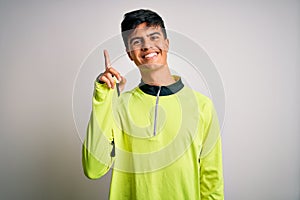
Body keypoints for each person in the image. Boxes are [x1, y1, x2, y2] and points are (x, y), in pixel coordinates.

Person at [82, 9, 224, 200]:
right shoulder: (120, 105)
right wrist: (104, 98)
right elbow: (93, 168)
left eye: (153, 37)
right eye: (137, 41)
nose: (147, 46)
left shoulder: (202, 106)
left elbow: (212, 182)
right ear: (130, 53)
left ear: (166, 43)